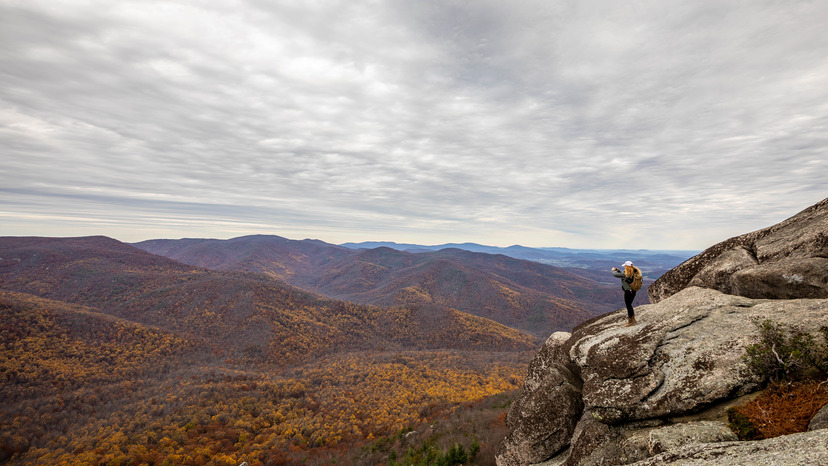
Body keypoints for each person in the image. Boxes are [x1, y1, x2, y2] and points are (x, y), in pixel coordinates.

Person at [611, 260, 641, 326]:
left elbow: (615, 274)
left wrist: (613, 270)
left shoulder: (627, 274)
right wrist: (619, 271)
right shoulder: (634, 271)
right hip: (633, 291)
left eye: (625, 266)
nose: (624, 267)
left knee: (628, 306)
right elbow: (623, 275)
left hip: (628, 291)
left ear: (627, 266)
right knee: (629, 305)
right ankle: (633, 320)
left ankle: (631, 322)